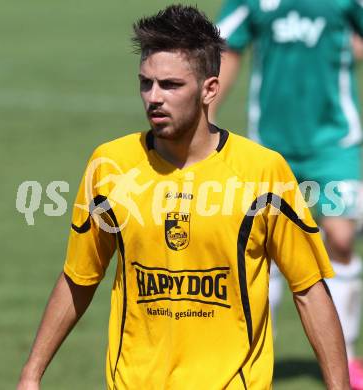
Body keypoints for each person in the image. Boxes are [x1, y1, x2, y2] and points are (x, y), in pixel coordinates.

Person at [18, 5, 349, 390]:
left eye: (171, 85)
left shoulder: (262, 172)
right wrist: (31, 374)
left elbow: (308, 289)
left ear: (211, 88)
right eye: (146, 83)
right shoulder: (110, 166)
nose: (154, 98)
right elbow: (79, 277)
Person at [212, 1, 363, 388]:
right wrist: (206, 114)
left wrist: (347, 49)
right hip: (271, 145)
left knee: (342, 238)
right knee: (267, 246)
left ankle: (343, 357)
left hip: (335, 142)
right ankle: (257, 356)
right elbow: (226, 47)